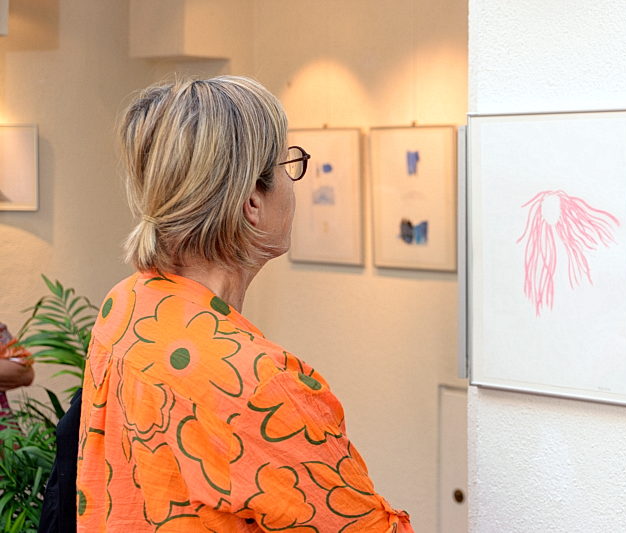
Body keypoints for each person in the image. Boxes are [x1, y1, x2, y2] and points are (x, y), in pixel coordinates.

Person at [76, 76, 414, 532]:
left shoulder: (126, 304)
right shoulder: (259, 385)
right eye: (289, 164)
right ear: (252, 201)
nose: (293, 184)